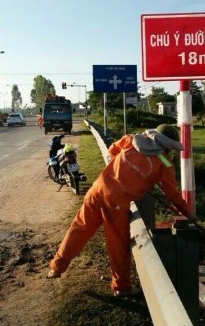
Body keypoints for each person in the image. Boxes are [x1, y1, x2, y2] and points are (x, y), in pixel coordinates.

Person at [47, 124, 191, 297]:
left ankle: (56, 267)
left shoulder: (132, 139)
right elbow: (173, 195)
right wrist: (187, 213)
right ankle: (122, 287)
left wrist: (121, 170)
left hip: (97, 189)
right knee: (118, 245)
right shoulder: (164, 163)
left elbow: (112, 150)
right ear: (169, 145)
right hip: (115, 203)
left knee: (79, 228)